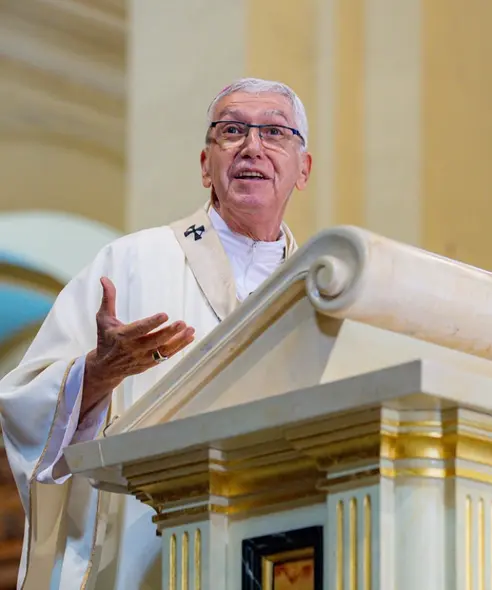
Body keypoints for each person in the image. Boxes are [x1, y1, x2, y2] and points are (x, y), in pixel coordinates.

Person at [0, 78, 311, 589]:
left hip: (287, 550)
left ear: (303, 168)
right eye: (232, 130)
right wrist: (96, 375)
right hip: (148, 552)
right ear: (205, 164)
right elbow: (23, 399)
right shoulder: (133, 261)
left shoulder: (321, 289)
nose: (253, 146)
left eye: (275, 132)